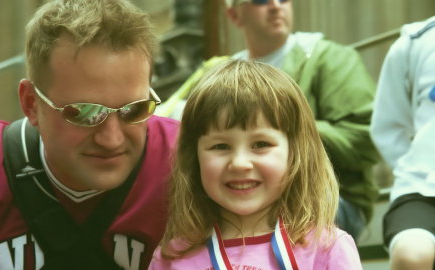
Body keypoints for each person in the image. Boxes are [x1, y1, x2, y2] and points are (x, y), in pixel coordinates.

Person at [0, 0, 179, 270]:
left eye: (134, 110)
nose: (111, 139)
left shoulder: (190, 164)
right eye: (85, 113)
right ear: (31, 104)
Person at [138, 59, 369, 270]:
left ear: (295, 153)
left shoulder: (327, 249)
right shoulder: (172, 257)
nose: (239, 163)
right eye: (220, 146)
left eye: (261, 144)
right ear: (194, 158)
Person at [156, 0, 379, 241]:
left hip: (333, 199)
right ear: (234, 15)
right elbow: (165, 120)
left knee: (259, 212)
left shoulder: (331, 58)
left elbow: (367, 140)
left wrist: (287, 125)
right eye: (260, 0)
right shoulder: (217, 72)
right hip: (236, 196)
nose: (275, 6)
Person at [370, 16, 435, 270]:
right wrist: (415, 166)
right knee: (410, 257)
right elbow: (386, 126)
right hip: (423, 188)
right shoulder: (416, 41)